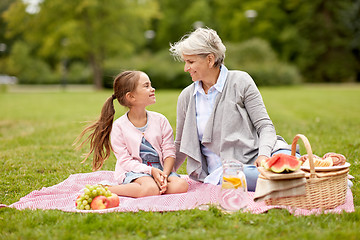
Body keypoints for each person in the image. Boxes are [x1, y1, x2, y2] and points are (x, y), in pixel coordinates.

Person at [169, 27, 296, 191]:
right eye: (185, 62)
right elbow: (180, 144)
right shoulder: (186, 97)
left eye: (191, 62)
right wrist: (165, 173)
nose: (186, 68)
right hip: (227, 173)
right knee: (284, 176)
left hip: (259, 158)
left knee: (290, 164)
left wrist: (263, 156)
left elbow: (265, 126)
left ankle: (299, 172)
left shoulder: (240, 81)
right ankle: (295, 179)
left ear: (210, 59)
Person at [75, 70, 189, 197]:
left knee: (181, 185)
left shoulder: (161, 120)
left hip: (161, 169)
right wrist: (150, 171)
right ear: (131, 96)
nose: (153, 89)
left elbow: (169, 151)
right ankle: (108, 189)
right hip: (134, 171)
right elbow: (125, 161)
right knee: (151, 188)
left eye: (150, 85)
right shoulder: (119, 127)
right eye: (146, 86)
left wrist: (164, 175)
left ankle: (151, 187)